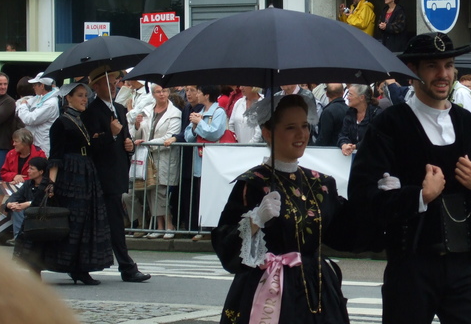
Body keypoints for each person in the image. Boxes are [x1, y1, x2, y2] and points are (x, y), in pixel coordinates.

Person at [348, 32, 471, 324]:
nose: (443, 74)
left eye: (449, 65)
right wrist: (419, 196)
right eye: (433, 66)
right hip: (411, 264)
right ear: (413, 71)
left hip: (462, 263)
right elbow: (363, 195)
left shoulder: (466, 123)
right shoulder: (391, 123)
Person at [212, 94, 351, 324]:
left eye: (305, 126)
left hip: (316, 290)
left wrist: (377, 201)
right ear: (267, 133)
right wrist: (255, 220)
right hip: (267, 290)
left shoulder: (320, 183)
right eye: (290, 127)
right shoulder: (253, 183)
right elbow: (225, 244)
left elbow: (344, 232)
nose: (301, 134)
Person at [82, 65, 150, 283]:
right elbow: (91, 145)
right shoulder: (91, 111)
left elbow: (125, 138)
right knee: (106, 222)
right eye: (109, 83)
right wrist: (110, 136)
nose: (114, 86)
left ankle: (123, 266)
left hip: (116, 173)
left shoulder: (119, 109)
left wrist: (127, 144)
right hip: (101, 175)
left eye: (115, 83)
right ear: (97, 86)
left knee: (113, 222)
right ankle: (124, 266)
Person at [41, 82, 112, 284]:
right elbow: (55, 155)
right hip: (70, 173)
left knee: (86, 221)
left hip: (85, 170)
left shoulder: (82, 120)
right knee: (72, 221)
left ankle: (81, 267)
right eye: (80, 95)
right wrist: (51, 183)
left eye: (85, 95)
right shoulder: (61, 123)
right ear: (68, 98)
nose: (84, 99)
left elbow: (89, 146)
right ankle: (70, 265)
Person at [133, 84, 181, 239]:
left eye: (165, 91)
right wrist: (137, 125)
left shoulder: (175, 113)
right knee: (152, 190)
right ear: (153, 94)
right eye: (158, 92)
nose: (162, 94)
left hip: (165, 156)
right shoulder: (147, 110)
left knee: (161, 191)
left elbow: (170, 134)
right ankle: (159, 226)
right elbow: (139, 133)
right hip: (149, 156)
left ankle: (169, 225)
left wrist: (148, 143)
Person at [184, 84, 227, 241]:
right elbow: (189, 136)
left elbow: (214, 133)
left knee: (213, 195)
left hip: (214, 161)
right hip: (199, 161)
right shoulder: (200, 112)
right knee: (200, 195)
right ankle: (202, 228)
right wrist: (196, 124)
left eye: (200, 92)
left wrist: (199, 123)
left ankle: (213, 230)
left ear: (207, 95)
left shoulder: (219, 112)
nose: (197, 95)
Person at [5, 155, 49, 243]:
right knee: (16, 208)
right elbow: (16, 196)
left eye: (32, 169)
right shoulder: (28, 184)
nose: (28, 171)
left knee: (23, 208)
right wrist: (10, 204)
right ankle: (18, 237)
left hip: (43, 214)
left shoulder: (47, 185)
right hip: (28, 213)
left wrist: (28, 204)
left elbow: (45, 201)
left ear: (41, 171)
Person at [15, 71, 60, 154]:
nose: (33, 87)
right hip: (36, 144)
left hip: (43, 146)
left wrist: (23, 105)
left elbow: (29, 119)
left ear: (42, 85)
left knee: (41, 166)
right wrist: (23, 104)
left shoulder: (50, 103)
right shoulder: (41, 98)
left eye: (35, 85)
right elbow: (23, 102)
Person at [338, 84, 380, 155]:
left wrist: (355, 146)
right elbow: (342, 135)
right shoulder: (350, 113)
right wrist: (344, 145)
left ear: (361, 97)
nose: (347, 97)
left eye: (350, 95)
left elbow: (375, 139)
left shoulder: (376, 113)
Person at [315, 83, 349, 147]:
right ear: (343, 93)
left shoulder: (328, 112)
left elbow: (323, 138)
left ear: (327, 94)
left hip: (330, 151)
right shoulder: (350, 110)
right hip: (346, 150)